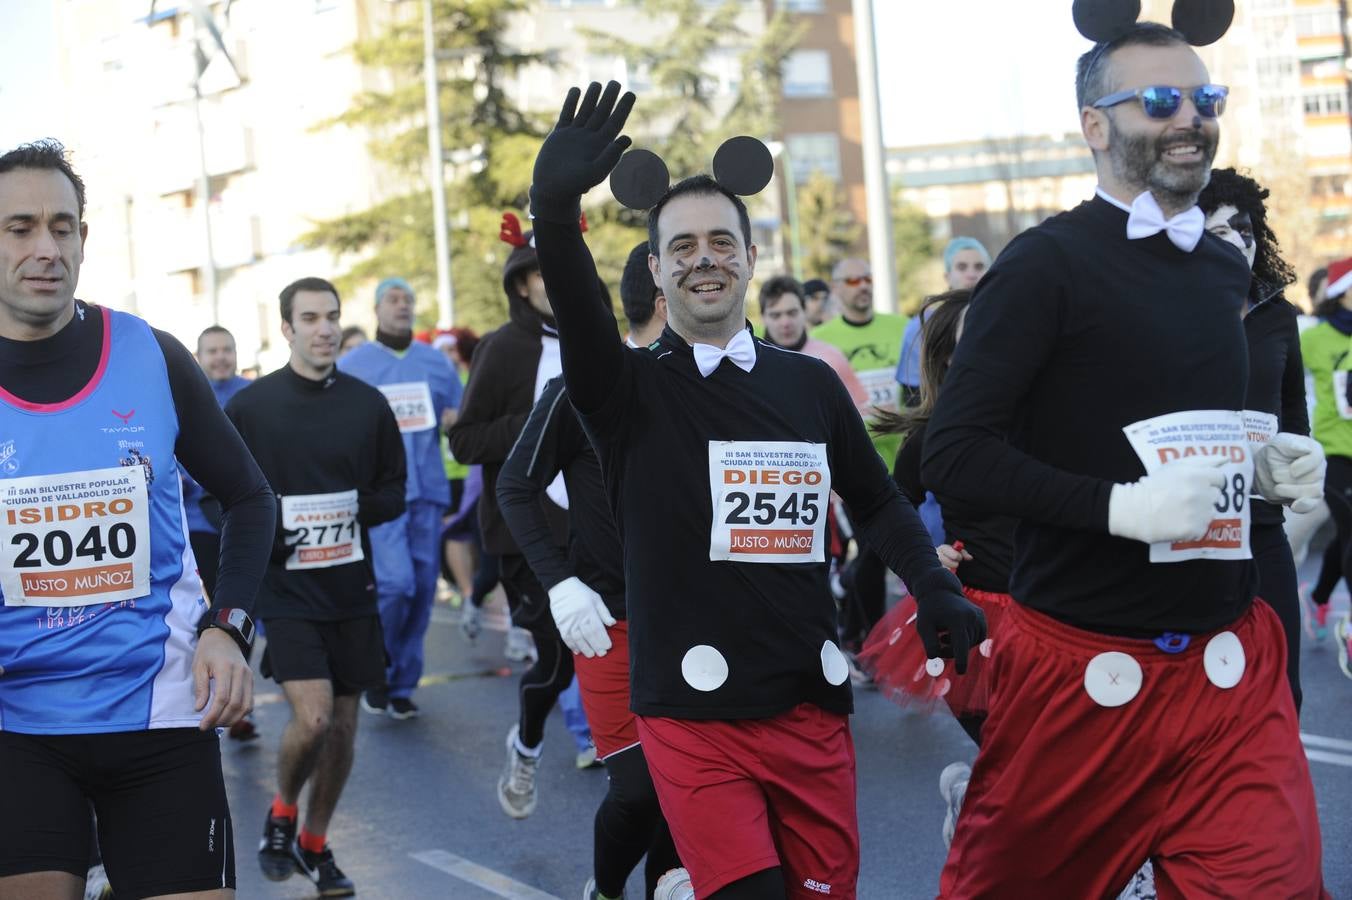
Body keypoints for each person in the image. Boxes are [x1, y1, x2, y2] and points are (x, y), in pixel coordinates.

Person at [528, 80, 983, 899]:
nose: (704, 256)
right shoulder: (622, 389)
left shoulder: (808, 384)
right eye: (683, 246)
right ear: (659, 272)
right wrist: (554, 215)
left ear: (747, 255)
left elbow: (876, 501)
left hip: (809, 700)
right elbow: (581, 306)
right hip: (691, 712)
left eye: (721, 241)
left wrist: (933, 584)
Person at [923, 24, 1328, 896]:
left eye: (1203, 100)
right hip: (1083, 672)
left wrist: (1259, 462)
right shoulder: (1044, 265)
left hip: (1228, 666)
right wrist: (1123, 508)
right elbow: (954, 454)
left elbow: (1172, 426)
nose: (1189, 119)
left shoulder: (1224, 270)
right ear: (1096, 127)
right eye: (1159, 101)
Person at [0, 139, 273, 900]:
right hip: (16, 724)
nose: (45, 247)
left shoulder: (151, 355)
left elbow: (251, 499)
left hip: (158, 711)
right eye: (19, 228)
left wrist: (229, 627)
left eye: (64, 226)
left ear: (86, 238)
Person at [498, 241, 681, 900]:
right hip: (610, 619)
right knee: (638, 789)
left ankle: (669, 879)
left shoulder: (716, 389)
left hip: (697, 623)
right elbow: (515, 487)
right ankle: (606, 890)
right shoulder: (579, 387)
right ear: (664, 298)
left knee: (690, 781)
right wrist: (559, 582)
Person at [227, 277, 406, 898]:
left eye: (332, 316)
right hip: (287, 592)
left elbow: (392, 493)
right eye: (310, 318)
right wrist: (271, 528)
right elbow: (219, 494)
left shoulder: (368, 404)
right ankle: (282, 811)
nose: (325, 328)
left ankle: (314, 841)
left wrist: (352, 506)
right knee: (316, 716)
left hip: (351, 590)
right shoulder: (251, 408)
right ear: (287, 329)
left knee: (345, 730)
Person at [446, 217, 579, 818]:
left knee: (614, 651)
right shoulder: (502, 348)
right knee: (556, 658)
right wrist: (536, 417)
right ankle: (525, 743)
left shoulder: (597, 337)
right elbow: (466, 442)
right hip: (526, 534)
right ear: (521, 284)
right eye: (540, 274)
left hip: (598, 528)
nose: (553, 282)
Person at [1198, 167, 1309, 709]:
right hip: (1190, 529)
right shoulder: (1167, 311)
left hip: (1263, 522)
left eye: (1242, 228)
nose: (1236, 241)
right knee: (1207, 696)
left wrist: (1298, 463)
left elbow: (1291, 403)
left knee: (1283, 689)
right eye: (1217, 231)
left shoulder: (1276, 314)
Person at [338, 278, 460, 719]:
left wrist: (456, 420)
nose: (402, 306)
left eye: (408, 299)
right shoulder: (354, 365)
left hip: (427, 491)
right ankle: (378, 670)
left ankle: (403, 683)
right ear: (376, 309)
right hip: (383, 496)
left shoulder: (436, 364)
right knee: (396, 585)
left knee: (424, 589)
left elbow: (459, 416)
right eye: (393, 299)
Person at [811, 259, 911, 656]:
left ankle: (870, 635)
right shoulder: (822, 338)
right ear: (836, 288)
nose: (862, 285)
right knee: (872, 555)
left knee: (899, 553)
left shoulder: (900, 328)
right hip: (852, 469)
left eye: (868, 277)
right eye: (852, 279)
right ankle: (867, 638)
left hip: (902, 460)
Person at [895, 238, 990, 409]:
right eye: (962, 267)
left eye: (979, 267)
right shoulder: (923, 326)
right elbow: (912, 395)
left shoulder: (1002, 317)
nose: (972, 274)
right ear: (947, 276)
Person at [758, 275, 868, 411]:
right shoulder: (750, 362)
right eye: (776, 315)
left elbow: (859, 412)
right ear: (763, 317)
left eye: (792, 313)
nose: (785, 323)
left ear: (804, 311)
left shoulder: (831, 358)